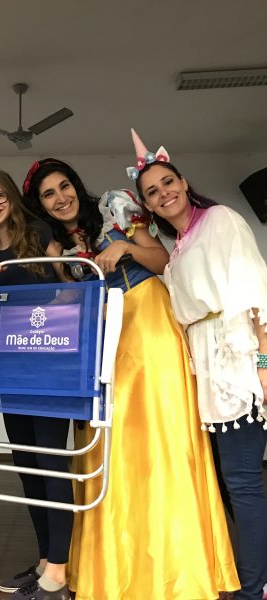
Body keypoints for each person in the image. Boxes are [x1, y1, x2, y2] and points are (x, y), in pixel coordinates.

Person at [22, 158, 239, 600]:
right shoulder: (54, 246)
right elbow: (70, 300)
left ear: (76, 185)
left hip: (149, 323)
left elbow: (162, 261)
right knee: (113, 447)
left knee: (162, 439)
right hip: (104, 336)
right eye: (48, 194)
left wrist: (126, 248)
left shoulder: (114, 209)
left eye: (64, 186)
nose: (61, 197)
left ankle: (178, 569)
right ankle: (119, 571)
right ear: (40, 206)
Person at [131, 128, 267, 600]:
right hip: (206, 371)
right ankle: (242, 575)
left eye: (168, 182)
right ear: (147, 205)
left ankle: (255, 587)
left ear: (184, 182)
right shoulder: (179, 247)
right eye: (152, 192)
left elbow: (256, 291)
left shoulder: (221, 220)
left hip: (237, 363)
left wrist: (264, 363)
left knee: (243, 482)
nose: (163, 193)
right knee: (229, 483)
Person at [0, 168, 72, 600]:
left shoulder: (40, 234)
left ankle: (60, 573)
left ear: (11, 197)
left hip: (51, 370)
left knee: (51, 465)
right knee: (27, 467)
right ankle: (46, 559)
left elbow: (71, 291)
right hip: (10, 371)